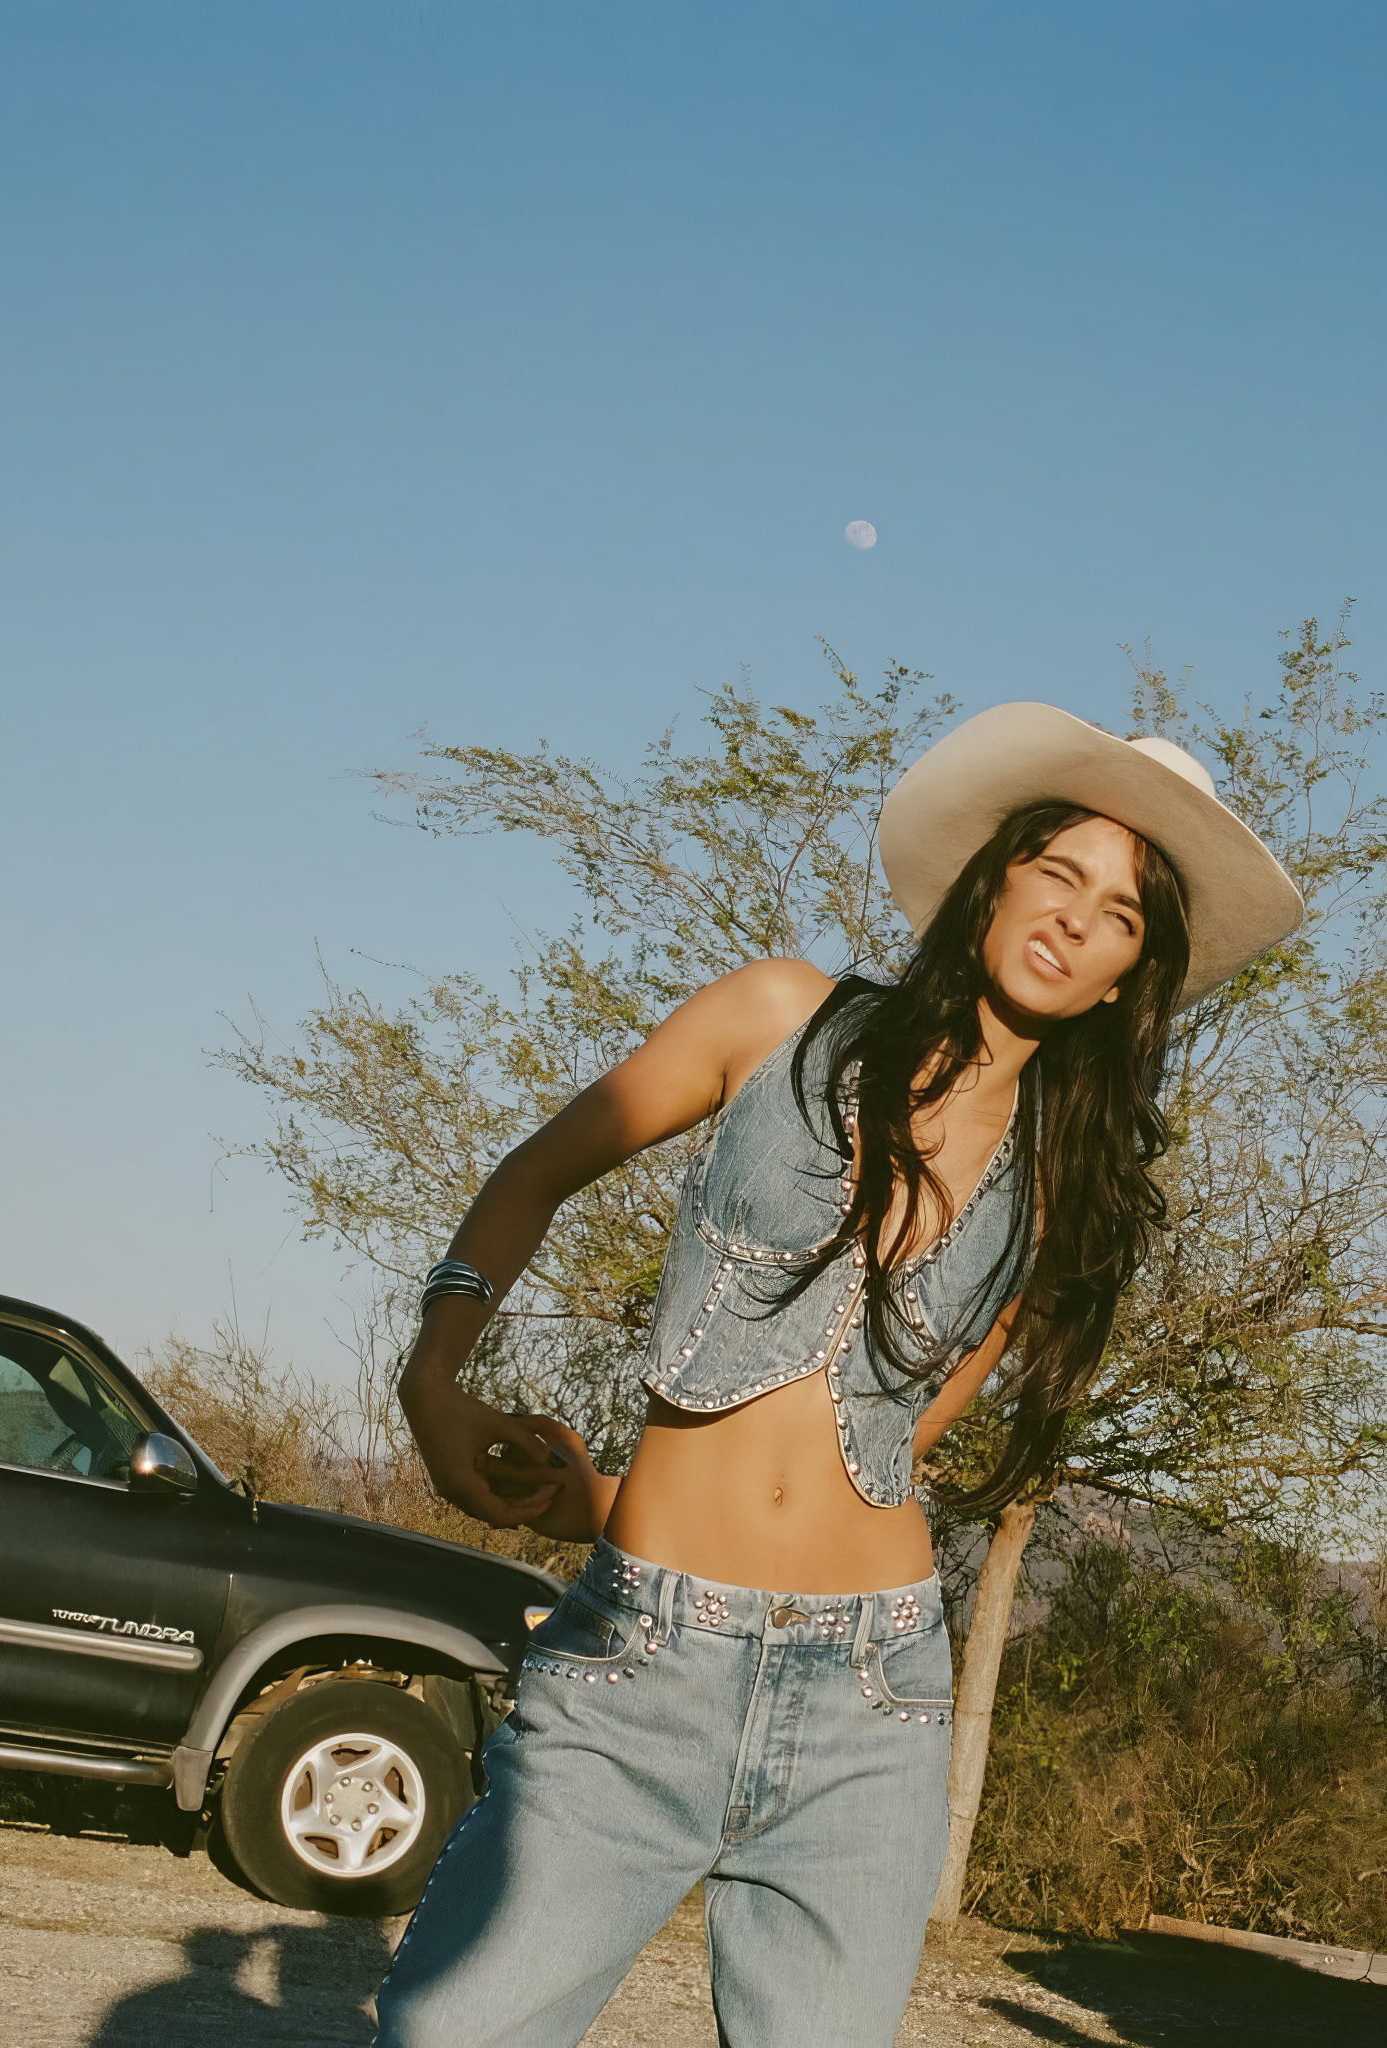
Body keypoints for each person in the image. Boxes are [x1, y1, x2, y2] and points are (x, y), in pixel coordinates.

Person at [373, 702, 1302, 2048]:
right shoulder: (775, 1014)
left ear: (1121, 977)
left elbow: (889, 1444)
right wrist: (434, 1375)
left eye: (1117, 916)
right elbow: (537, 1172)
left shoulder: (1060, 1186)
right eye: (1058, 873)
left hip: (870, 1699)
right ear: (993, 882)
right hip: (643, 1659)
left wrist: (593, 1496)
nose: (1073, 919)